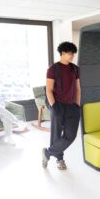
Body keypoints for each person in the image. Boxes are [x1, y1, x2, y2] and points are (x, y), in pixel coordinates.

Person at [42, 42, 81, 170]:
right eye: (70, 53)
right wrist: (54, 107)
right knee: (56, 134)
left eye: (73, 53)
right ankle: (60, 159)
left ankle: (47, 153)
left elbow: (77, 88)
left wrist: (77, 104)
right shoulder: (53, 69)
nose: (72, 56)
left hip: (72, 107)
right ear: (62, 53)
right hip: (58, 105)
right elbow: (49, 90)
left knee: (71, 135)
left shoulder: (75, 69)